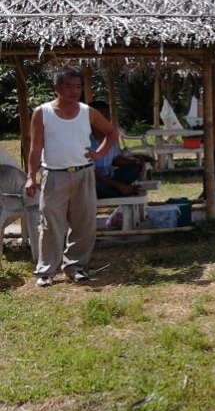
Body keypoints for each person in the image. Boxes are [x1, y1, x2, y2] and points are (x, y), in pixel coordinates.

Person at [25, 68, 119, 287]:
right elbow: (35, 147)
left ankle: (75, 266)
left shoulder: (88, 111)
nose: (74, 91)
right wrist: (31, 176)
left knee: (84, 223)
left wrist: (99, 153)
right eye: (69, 86)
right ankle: (46, 271)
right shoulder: (42, 112)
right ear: (56, 88)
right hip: (54, 175)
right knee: (50, 224)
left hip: (84, 173)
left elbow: (112, 132)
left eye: (78, 87)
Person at [89, 100, 152, 199]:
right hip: (94, 181)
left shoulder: (111, 137)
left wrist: (135, 161)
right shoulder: (85, 140)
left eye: (107, 115)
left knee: (135, 168)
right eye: (101, 115)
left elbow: (115, 159)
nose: (105, 119)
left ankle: (117, 191)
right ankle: (119, 192)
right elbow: (91, 173)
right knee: (99, 187)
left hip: (110, 177)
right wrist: (120, 186)